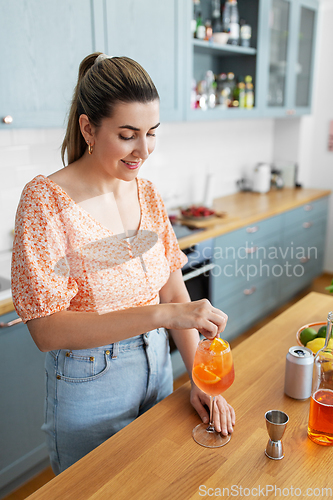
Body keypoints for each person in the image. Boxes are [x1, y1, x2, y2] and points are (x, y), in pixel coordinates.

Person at [11, 52, 235, 474]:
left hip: (158, 364)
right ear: (88, 128)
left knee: (154, 480)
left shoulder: (145, 192)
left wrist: (198, 380)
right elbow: (46, 329)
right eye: (128, 134)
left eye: (152, 133)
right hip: (90, 381)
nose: (143, 150)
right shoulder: (45, 201)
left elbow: (172, 289)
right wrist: (165, 314)